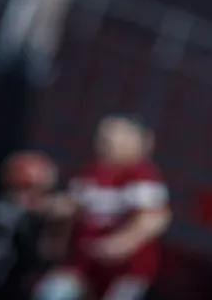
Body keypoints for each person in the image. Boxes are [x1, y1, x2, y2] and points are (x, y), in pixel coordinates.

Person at [34, 115, 170, 300]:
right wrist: (52, 225)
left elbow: (155, 219)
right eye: (103, 135)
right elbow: (71, 208)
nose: (107, 141)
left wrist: (121, 243)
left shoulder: (142, 176)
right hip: (83, 262)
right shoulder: (90, 172)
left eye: (116, 135)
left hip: (125, 270)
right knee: (51, 293)